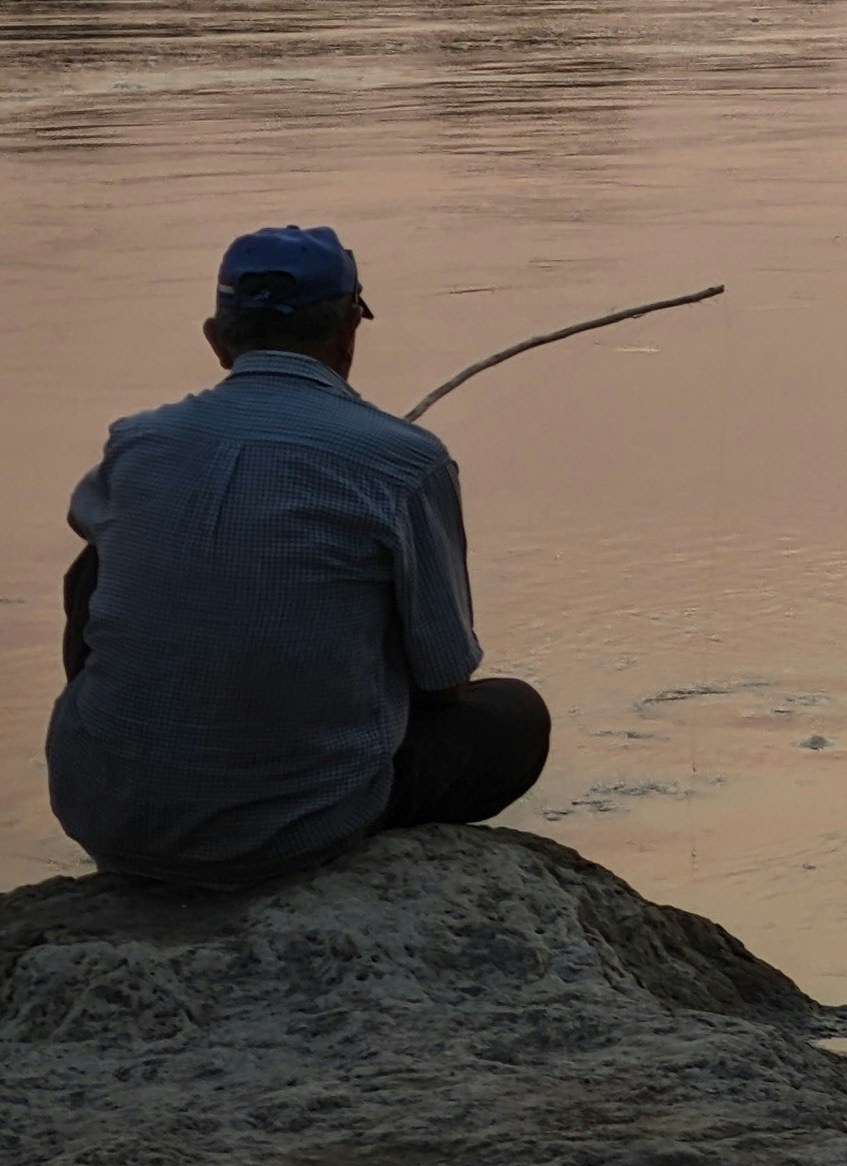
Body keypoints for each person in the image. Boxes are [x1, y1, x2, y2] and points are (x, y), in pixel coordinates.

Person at [47, 225, 552, 892]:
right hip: (291, 835)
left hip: (105, 815)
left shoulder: (138, 441)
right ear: (349, 330)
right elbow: (445, 680)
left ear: (216, 338)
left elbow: (92, 529)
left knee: (97, 561)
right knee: (515, 717)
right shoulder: (405, 460)